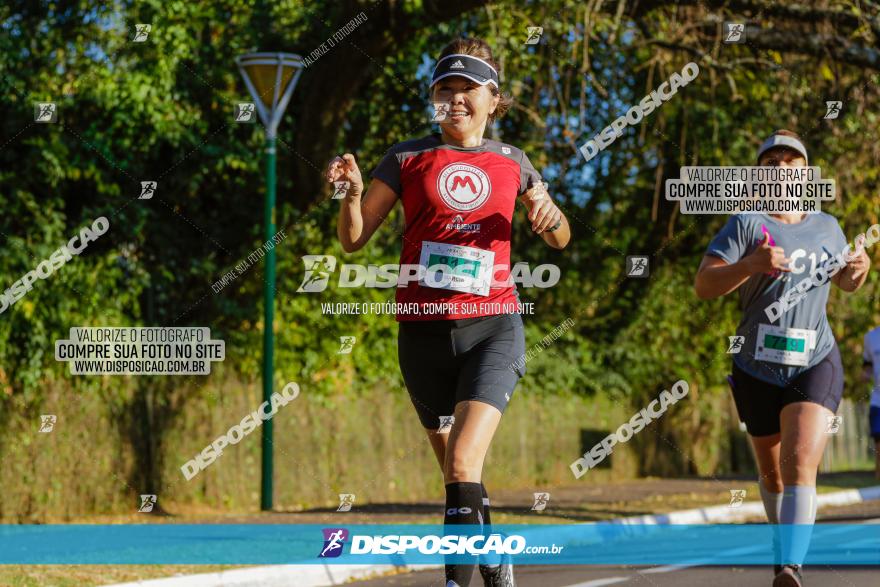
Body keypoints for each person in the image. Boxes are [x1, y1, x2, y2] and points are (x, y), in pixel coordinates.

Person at [326, 37, 570, 587]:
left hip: (493, 327)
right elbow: (354, 241)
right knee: (459, 476)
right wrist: (351, 195)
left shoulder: (514, 162)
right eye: (443, 89)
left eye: (466, 89)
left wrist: (548, 212)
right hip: (422, 334)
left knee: (463, 462)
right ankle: (494, 550)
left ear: (492, 97)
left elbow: (559, 240)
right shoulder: (405, 157)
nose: (454, 99)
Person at [694, 129, 871, 587]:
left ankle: (790, 568)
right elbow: (704, 285)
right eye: (770, 163)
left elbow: (847, 283)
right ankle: (782, 548)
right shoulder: (745, 224)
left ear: (805, 174)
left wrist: (859, 270)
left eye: (790, 162)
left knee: (799, 461)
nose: (780, 169)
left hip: (816, 359)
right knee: (771, 474)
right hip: (756, 367)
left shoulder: (828, 227)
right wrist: (749, 265)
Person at [863, 326, 880, 479]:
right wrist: (866, 375)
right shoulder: (870, 337)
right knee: (878, 438)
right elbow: (867, 363)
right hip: (877, 398)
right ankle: (878, 472)